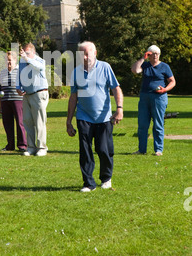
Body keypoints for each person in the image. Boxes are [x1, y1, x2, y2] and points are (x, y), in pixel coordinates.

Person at [66, 41, 123, 191]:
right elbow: (73, 97)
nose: (84, 57)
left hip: (104, 117)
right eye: (81, 54)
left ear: (95, 53)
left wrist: (119, 109)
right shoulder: (76, 72)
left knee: (103, 149)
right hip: (84, 116)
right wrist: (68, 121)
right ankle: (88, 183)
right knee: (85, 150)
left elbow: (116, 89)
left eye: (87, 53)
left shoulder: (105, 67)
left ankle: (106, 178)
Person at [131, 45, 176, 156]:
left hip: (159, 97)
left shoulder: (164, 66)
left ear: (159, 55)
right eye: (152, 53)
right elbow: (135, 70)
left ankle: (158, 150)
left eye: (157, 53)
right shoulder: (145, 65)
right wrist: (143, 58)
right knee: (142, 124)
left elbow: (172, 81)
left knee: (158, 124)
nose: (155, 55)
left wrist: (165, 89)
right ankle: (142, 150)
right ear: (149, 54)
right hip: (144, 97)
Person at [16, 43, 49, 156]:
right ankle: (31, 147)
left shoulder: (39, 60)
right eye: (24, 52)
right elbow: (19, 75)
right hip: (27, 94)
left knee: (39, 121)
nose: (25, 55)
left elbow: (38, 67)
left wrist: (26, 58)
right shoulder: (22, 61)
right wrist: (18, 88)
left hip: (39, 93)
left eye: (27, 53)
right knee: (27, 121)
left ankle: (42, 147)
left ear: (34, 52)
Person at [0, 51, 27, 152]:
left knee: (20, 123)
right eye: (6, 60)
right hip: (5, 101)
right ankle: (10, 145)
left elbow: (26, 87)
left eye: (10, 60)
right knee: (7, 124)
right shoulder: (3, 72)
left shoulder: (21, 71)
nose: (8, 62)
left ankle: (22, 145)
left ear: (15, 60)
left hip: (18, 100)